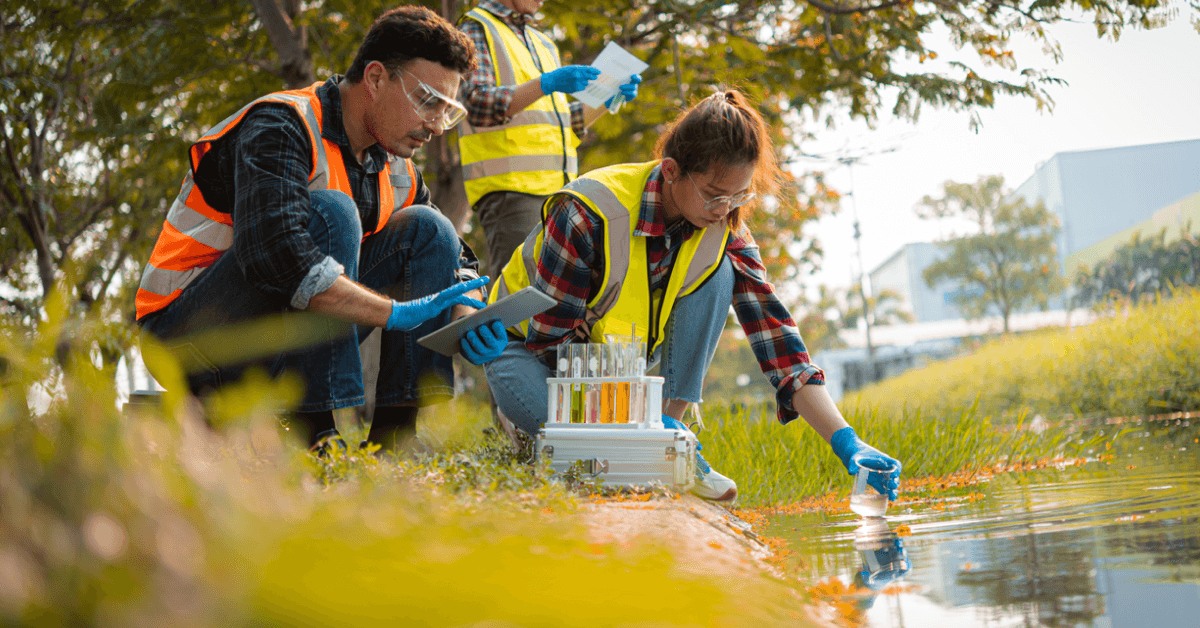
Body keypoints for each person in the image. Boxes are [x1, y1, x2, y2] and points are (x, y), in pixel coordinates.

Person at [482, 89, 903, 502]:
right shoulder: (589, 212)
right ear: (670, 170)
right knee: (604, 466)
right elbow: (551, 346)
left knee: (721, 274)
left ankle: (669, 435)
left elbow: (779, 343)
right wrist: (641, 425)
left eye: (739, 195)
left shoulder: (725, 229)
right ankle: (627, 443)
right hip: (527, 353)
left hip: (617, 369)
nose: (724, 209)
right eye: (714, 194)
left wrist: (847, 441)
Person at [135, 6, 508, 453]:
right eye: (428, 101)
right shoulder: (280, 126)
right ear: (375, 79)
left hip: (276, 341)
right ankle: (316, 437)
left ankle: (397, 443)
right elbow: (275, 255)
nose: (434, 126)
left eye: (446, 112)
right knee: (333, 212)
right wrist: (391, 311)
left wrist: (467, 318)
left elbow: (458, 258)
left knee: (429, 229)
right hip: (190, 342)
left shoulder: (396, 166)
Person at [455, 0, 642, 285]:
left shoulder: (543, 43)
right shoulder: (476, 27)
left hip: (560, 193)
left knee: (558, 294)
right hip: (512, 192)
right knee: (519, 296)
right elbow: (478, 103)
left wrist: (609, 96)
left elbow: (567, 125)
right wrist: (546, 83)